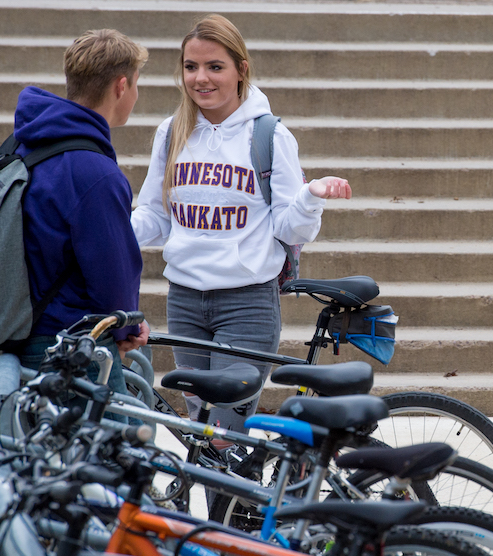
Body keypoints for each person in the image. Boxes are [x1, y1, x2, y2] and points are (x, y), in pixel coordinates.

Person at [132, 14, 352, 432]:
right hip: (184, 300)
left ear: (240, 71)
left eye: (215, 67)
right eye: (190, 66)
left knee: (223, 436)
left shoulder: (268, 136)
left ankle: (251, 497)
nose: (201, 78)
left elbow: (290, 229)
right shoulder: (171, 132)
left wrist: (310, 197)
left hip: (246, 304)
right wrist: (108, 231)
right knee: (199, 429)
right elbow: (157, 218)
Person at [15, 29, 151, 395]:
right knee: (124, 443)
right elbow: (112, 270)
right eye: (137, 85)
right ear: (121, 86)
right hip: (72, 343)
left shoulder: (29, 142)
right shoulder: (95, 173)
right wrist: (125, 327)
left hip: (22, 328)